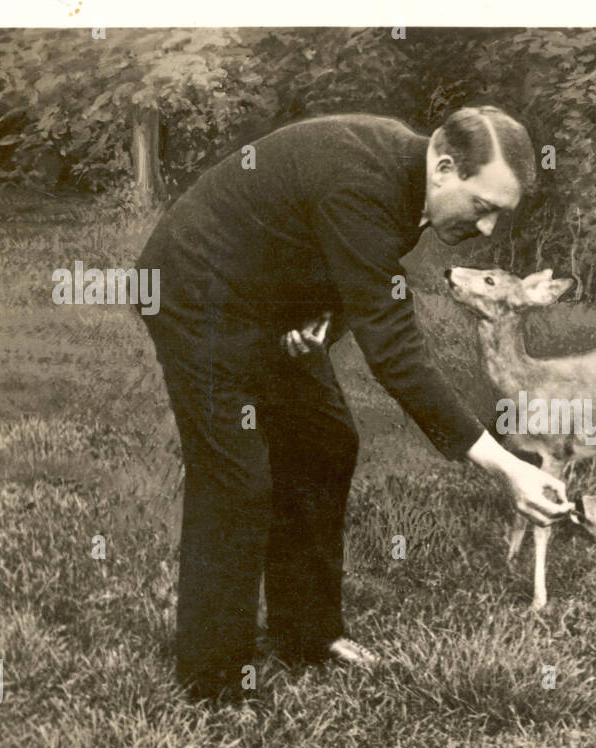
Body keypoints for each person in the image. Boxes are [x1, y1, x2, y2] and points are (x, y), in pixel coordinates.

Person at [136, 106, 571, 701]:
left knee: (325, 441)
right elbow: (396, 353)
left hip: (264, 297)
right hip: (192, 289)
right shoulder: (364, 182)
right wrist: (507, 466)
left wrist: (323, 311)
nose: (489, 229)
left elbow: (342, 258)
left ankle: (308, 636)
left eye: (500, 214)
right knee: (236, 476)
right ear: (444, 166)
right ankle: (213, 680)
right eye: (483, 207)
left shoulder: (407, 178)